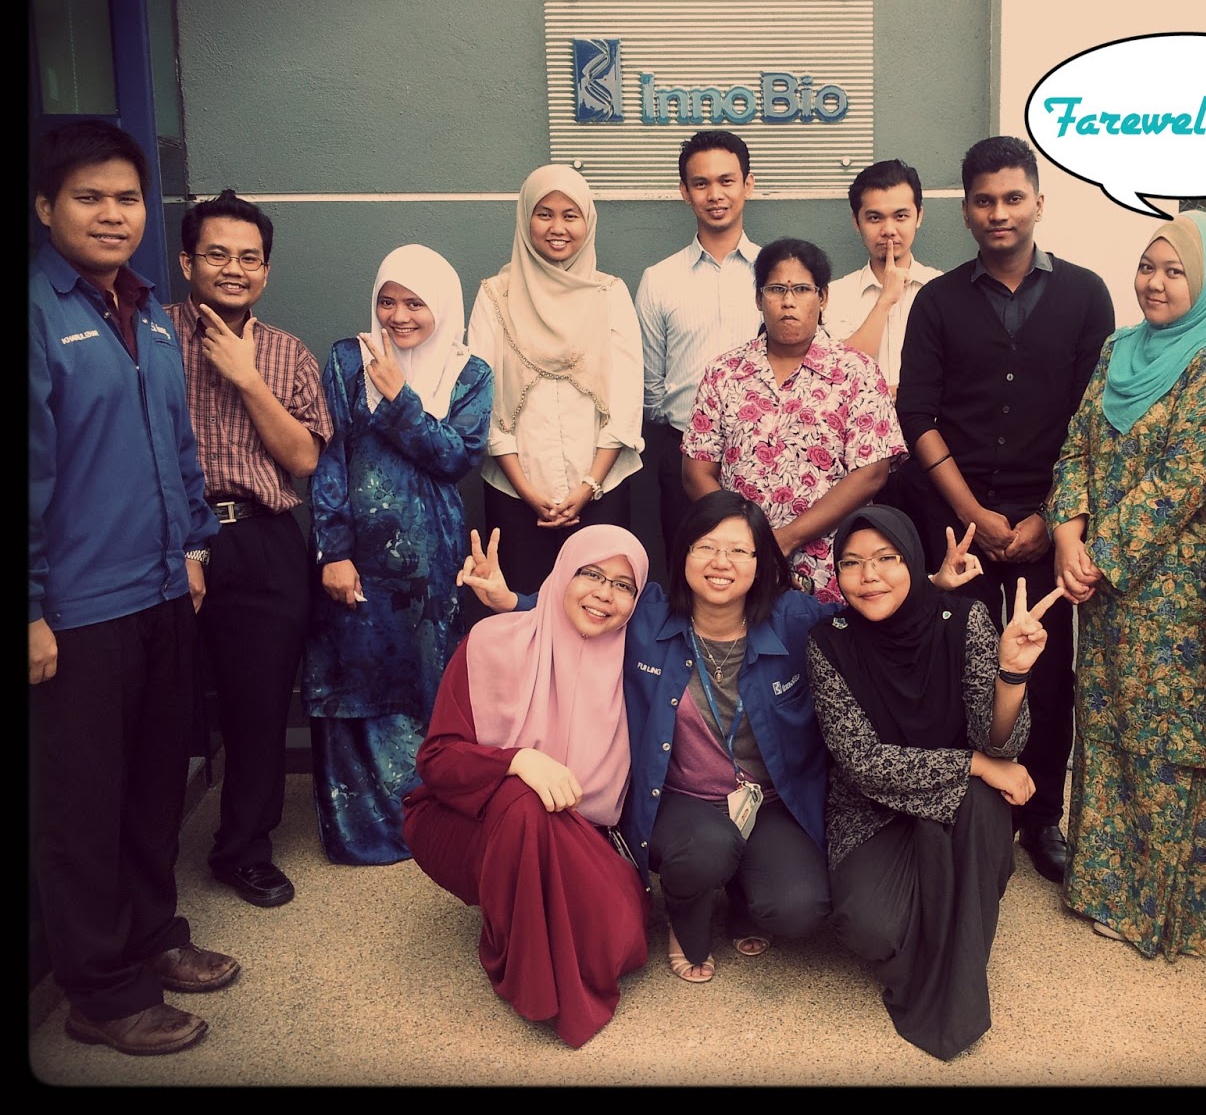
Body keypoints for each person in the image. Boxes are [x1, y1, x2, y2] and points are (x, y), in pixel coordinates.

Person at [463, 489, 981, 984]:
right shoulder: (647, 614)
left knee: (798, 908)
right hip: (680, 798)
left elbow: (869, 612)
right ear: (684, 554)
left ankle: (742, 891)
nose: (721, 562)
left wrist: (931, 582)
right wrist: (511, 600)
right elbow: (588, 610)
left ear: (761, 563)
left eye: (739, 550)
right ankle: (687, 910)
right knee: (705, 850)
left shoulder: (795, 619)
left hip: (770, 800)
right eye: (706, 547)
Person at [30, 119, 235, 1056]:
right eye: (89, 197)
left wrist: (193, 548)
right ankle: (100, 992)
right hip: (75, 613)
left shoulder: (148, 312)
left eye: (126, 198)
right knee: (84, 807)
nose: (113, 214)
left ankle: (153, 937)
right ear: (46, 207)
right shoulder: (40, 315)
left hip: (159, 594)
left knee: (155, 789)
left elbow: (179, 447)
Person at [897, 135, 1115, 882]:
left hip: (1050, 521)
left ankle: (1041, 816)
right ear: (965, 211)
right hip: (956, 521)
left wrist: (1050, 520)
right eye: (984, 201)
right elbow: (916, 413)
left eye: (1013, 198)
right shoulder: (938, 301)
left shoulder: (1085, 295)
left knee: (1046, 673)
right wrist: (973, 516)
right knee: (956, 662)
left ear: (1038, 204)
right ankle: (964, 807)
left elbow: (1093, 418)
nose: (999, 213)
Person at [1048, 210, 1206, 959]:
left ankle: (1159, 912)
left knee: (1166, 741)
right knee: (1103, 729)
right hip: (1101, 584)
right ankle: (1101, 887)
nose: (1155, 283)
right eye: (1147, 266)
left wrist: (1098, 554)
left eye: (1175, 272)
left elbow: (1186, 477)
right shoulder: (1120, 348)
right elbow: (1076, 447)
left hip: (1174, 589)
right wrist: (1068, 536)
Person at [809, 505, 1059, 1060]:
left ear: (912, 560)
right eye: (851, 563)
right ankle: (952, 905)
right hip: (871, 810)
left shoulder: (964, 621)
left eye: (886, 558)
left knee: (983, 799)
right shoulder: (829, 642)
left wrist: (1013, 673)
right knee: (870, 929)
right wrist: (974, 765)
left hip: (963, 807)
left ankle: (960, 946)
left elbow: (1000, 744)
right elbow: (864, 764)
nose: (869, 575)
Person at [402, 526, 653, 1048]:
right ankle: (528, 974)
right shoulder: (492, 642)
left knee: (621, 936)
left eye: (623, 585)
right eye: (590, 574)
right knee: (525, 805)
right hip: (467, 819)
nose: (604, 593)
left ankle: (530, 913)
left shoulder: (639, 665)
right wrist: (517, 761)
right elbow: (437, 760)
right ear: (561, 574)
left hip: (583, 833)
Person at [302, 243, 492, 865]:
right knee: (352, 680)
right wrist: (332, 550)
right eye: (388, 301)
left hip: (431, 560)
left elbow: (455, 458)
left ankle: (428, 822)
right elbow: (329, 458)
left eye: (415, 303)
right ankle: (361, 832)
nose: (399, 316)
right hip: (355, 556)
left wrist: (399, 397)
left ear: (442, 305)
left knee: (425, 678)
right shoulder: (344, 360)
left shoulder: (471, 372)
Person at [169, 188, 332, 908]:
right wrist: (184, 546)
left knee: (261, 704)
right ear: (188, 263)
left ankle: (242, 849)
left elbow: (303, 459)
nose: (233, 269)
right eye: (217, 255)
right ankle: (141, 863)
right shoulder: (150, 337)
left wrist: (246, 377)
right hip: (167, 538)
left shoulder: (287, 352)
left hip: (261, 539)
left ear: (265, 271)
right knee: (157, 705)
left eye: (249, 258)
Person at [682, 237, 905, 602]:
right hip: (738, 563)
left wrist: (785, 539)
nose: (788, 301)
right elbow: (696, 473)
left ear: (823, 297)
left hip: (831, 565)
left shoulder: (857, 372)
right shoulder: (724, 372)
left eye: (802, 289)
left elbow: (872, 473)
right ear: (758, 299)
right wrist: (747, 539)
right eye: (776, 289)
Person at [467, 164, 644, 596]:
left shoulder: (610, 293)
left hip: (601, 493)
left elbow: (626, 402)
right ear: (525, 217)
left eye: (571, 215)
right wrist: (527, 491)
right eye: (544, 214)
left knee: (601, 610)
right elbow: (481, 400)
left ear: (588, 221)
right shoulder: (495, 295)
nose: (558, 228)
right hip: (514, 495)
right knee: (521, 610)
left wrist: (589, 486)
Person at [636, 130, 761, 555]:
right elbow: (651, 388)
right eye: (701, 183)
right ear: (685, 192)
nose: (715, 194)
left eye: (727, 181)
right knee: (691, 572)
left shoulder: (775, 273)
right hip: (682, 455)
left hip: (766, 453)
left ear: (748, 184)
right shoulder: (659, 279)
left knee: (763, 567)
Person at [824, 158, 944, 514]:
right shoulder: (834, 295)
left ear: (919, 217)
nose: (888, 230)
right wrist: (886, 298)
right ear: (856, 222)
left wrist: (904, 395)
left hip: (933, 454)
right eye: (875, 218)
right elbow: (837, 377)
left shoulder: (944, 289)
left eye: (901, 216)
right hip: (853, 458)